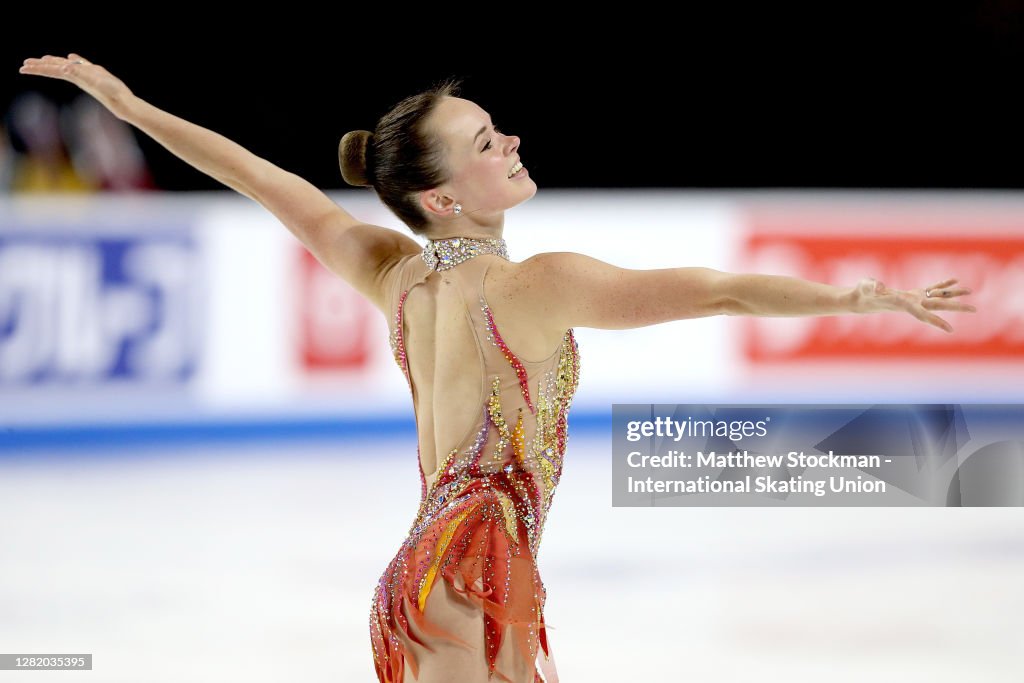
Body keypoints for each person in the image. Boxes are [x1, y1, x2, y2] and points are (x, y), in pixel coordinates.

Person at [18, 53, 976, 683]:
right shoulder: (535, 287)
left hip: (440, 579)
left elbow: (268, 185)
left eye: (497, 126)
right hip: (473, 575)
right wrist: (856, 299)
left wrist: (134, 110)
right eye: (485, 142)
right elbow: (719, 290)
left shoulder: (390, 275)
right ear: (439, 197)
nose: (509, 139)